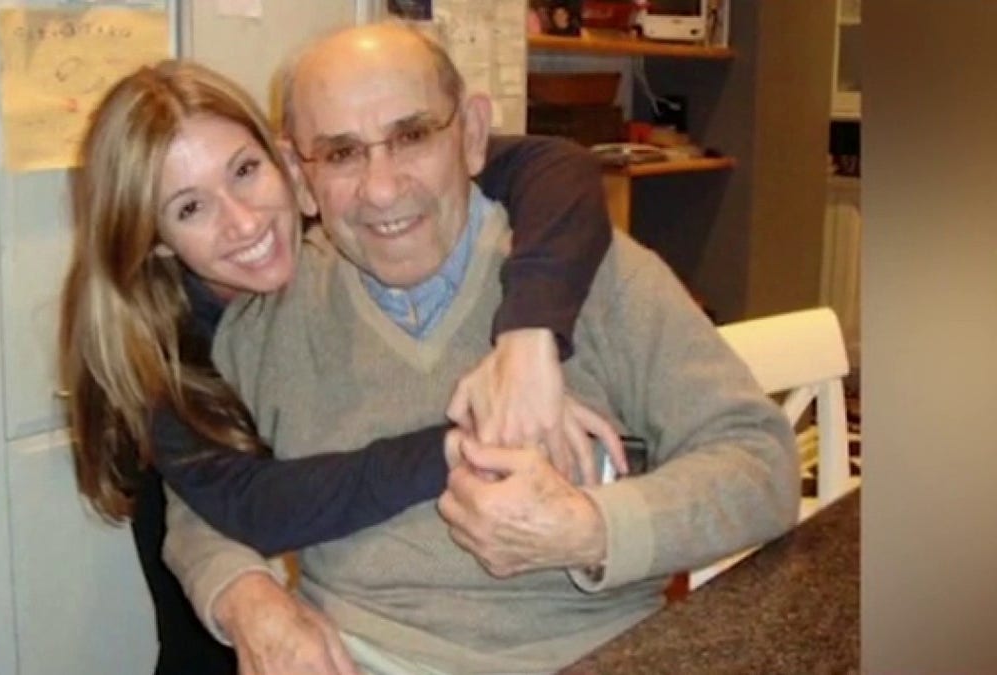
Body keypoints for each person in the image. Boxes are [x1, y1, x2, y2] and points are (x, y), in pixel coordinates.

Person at [164, 22, 800, 675]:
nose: (381, 189)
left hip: (595, 653)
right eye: (342, 153)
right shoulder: (268, 320)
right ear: (300, 176)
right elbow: (202, 506)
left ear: (470, 135)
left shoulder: (600, 275)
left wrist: (588, 527)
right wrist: (251, 599)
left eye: (411, 136)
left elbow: (761, 463)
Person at [58, 58, 623, 674]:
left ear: (288, 162)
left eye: (245, 171)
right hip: (221, 648)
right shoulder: (161, 355)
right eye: (190, 208)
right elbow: (257, 508)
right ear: (156, 238)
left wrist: (528, 336)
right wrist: (476, 437)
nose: (244, 222)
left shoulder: (333, 205)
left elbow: (556, 165)